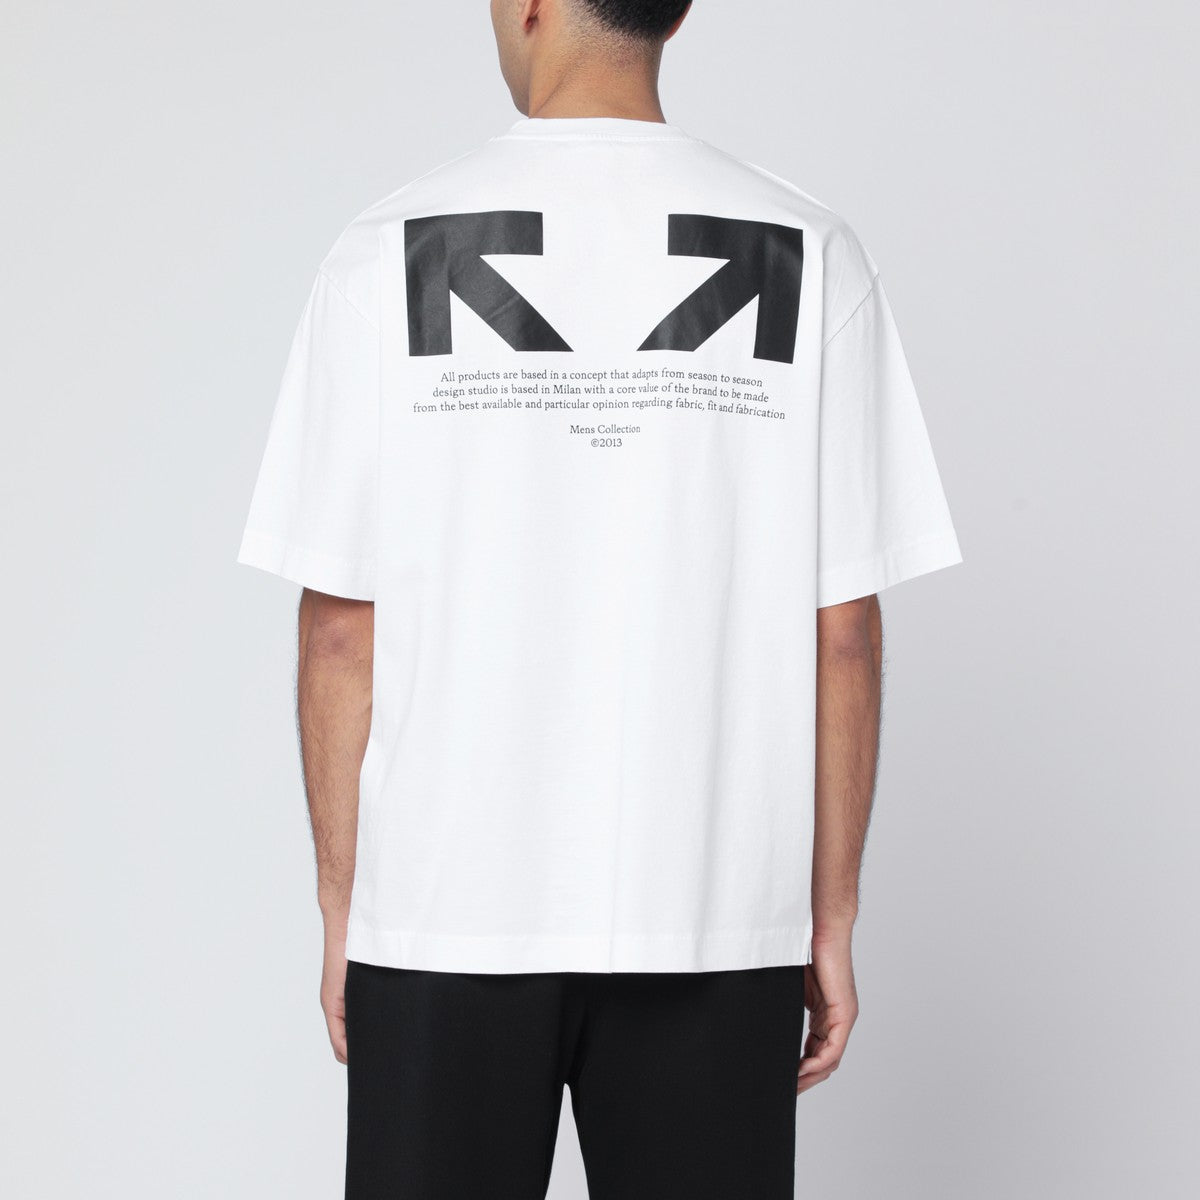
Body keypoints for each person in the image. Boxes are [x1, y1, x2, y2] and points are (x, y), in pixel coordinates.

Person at [238, 1, 961, 1195]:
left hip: (446, 913)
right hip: (713, 909)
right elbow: (842, 634)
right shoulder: (809, 248)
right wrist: (827, 916)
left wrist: (343, 905)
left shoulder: (384, 247)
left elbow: (339, 632)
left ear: (529, 3)